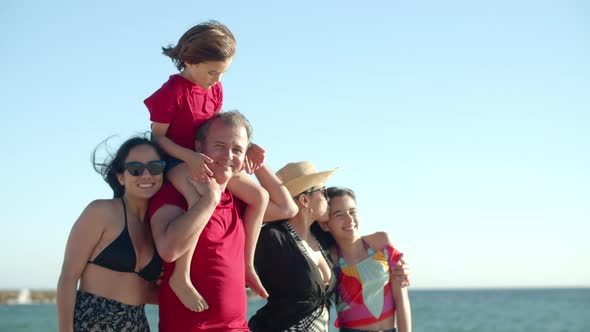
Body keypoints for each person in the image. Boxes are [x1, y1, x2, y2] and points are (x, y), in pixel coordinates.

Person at [144, 20, 269, 312]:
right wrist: (188, 157)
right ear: (189, 61)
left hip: (204, 159)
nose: (217, 79)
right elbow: (157, 139)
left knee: (259, 197)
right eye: (213, 72)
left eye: (222, 73)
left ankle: (247, 264)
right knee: (200, 197)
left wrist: (248, 146)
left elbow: (217, 128)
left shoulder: (215, 89)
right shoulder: (173, 92)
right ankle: (181, 275)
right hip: (175, 159)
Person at [148, 111, 297, 331]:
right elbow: (169, 249)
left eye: (237, 150)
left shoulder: (240, 202)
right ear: (198, 148)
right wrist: (210, 199)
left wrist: (255, 160)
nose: (228, 155)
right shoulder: (174, 195)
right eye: (219, 145)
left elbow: (286, 207)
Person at [57, 136, 165, 332]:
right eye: (135, 169)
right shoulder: (100, 212)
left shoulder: (158, 225)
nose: (146, 175)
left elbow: (147, 292)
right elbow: (69, 276)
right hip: (93, 323)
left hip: (138, 324)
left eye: (155, 167)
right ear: (121, 176)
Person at [249, 161, 339, 332]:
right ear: (305, 200)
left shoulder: (320, 239)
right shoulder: (272, 237)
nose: (327, 198)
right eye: (323, 192)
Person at [316, 187, 412, 332]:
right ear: (325, 224)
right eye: (339, 215)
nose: (349, 219)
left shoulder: (382, 243)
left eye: (352, 211)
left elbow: (401, 299)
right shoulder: (329, 259)